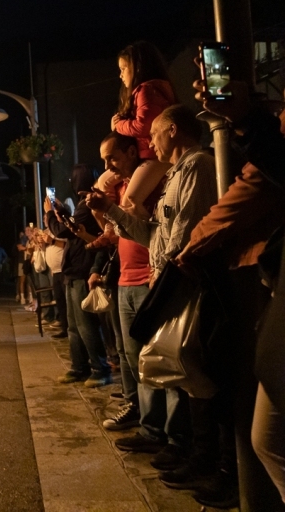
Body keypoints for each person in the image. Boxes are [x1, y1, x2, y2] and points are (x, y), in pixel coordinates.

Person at [87, 104, 219, 494]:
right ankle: (192, 452)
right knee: (172, 365)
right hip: (166, 281)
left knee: (189, 369)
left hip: (181, 285)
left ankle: (202, 456)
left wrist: (163, 274)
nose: (150, 142)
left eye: (155, 135)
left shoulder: (197, 167)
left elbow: (184, 237)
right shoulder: (177, 174)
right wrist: (108, 208)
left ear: (173, 131)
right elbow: (153, 236)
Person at [175, 81, 285, 509]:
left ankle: (225, 472)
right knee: (266, 434)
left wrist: (193, 244)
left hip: (256, 275)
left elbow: (251, 188)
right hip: (268, 277)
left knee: (264, 426)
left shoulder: (202, 164)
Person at [46, 165, 112, 388]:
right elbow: (71, 227)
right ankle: (79, 367)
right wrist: (61, 211)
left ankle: (99, 369)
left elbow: (62, 231)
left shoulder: (87, 205)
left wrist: (49, 213)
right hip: (73, 271)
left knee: (86, 325)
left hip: (83, 270)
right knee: (74, 326)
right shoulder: (83, 206)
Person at [109, 41, 176, 218]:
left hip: (155, 155)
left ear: (137, 68)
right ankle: (112, 228)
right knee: (106, 184)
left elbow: (143, 125)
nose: (120, 75)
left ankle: (149, 235)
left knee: (130, 201)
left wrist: (118, 125)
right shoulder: (148, 91)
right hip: (149, 154)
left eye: (124, 69)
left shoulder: (147, 90)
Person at [41, 223, 67, 339]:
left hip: (64, 270)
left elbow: (66, 245)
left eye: (47, 218)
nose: (45, 220)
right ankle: (65, 328)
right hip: (55, 271)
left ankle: (71, 329)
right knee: (60, 301)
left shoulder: (61, 229)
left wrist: (51, 241)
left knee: (67, 302)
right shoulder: (48, 231)